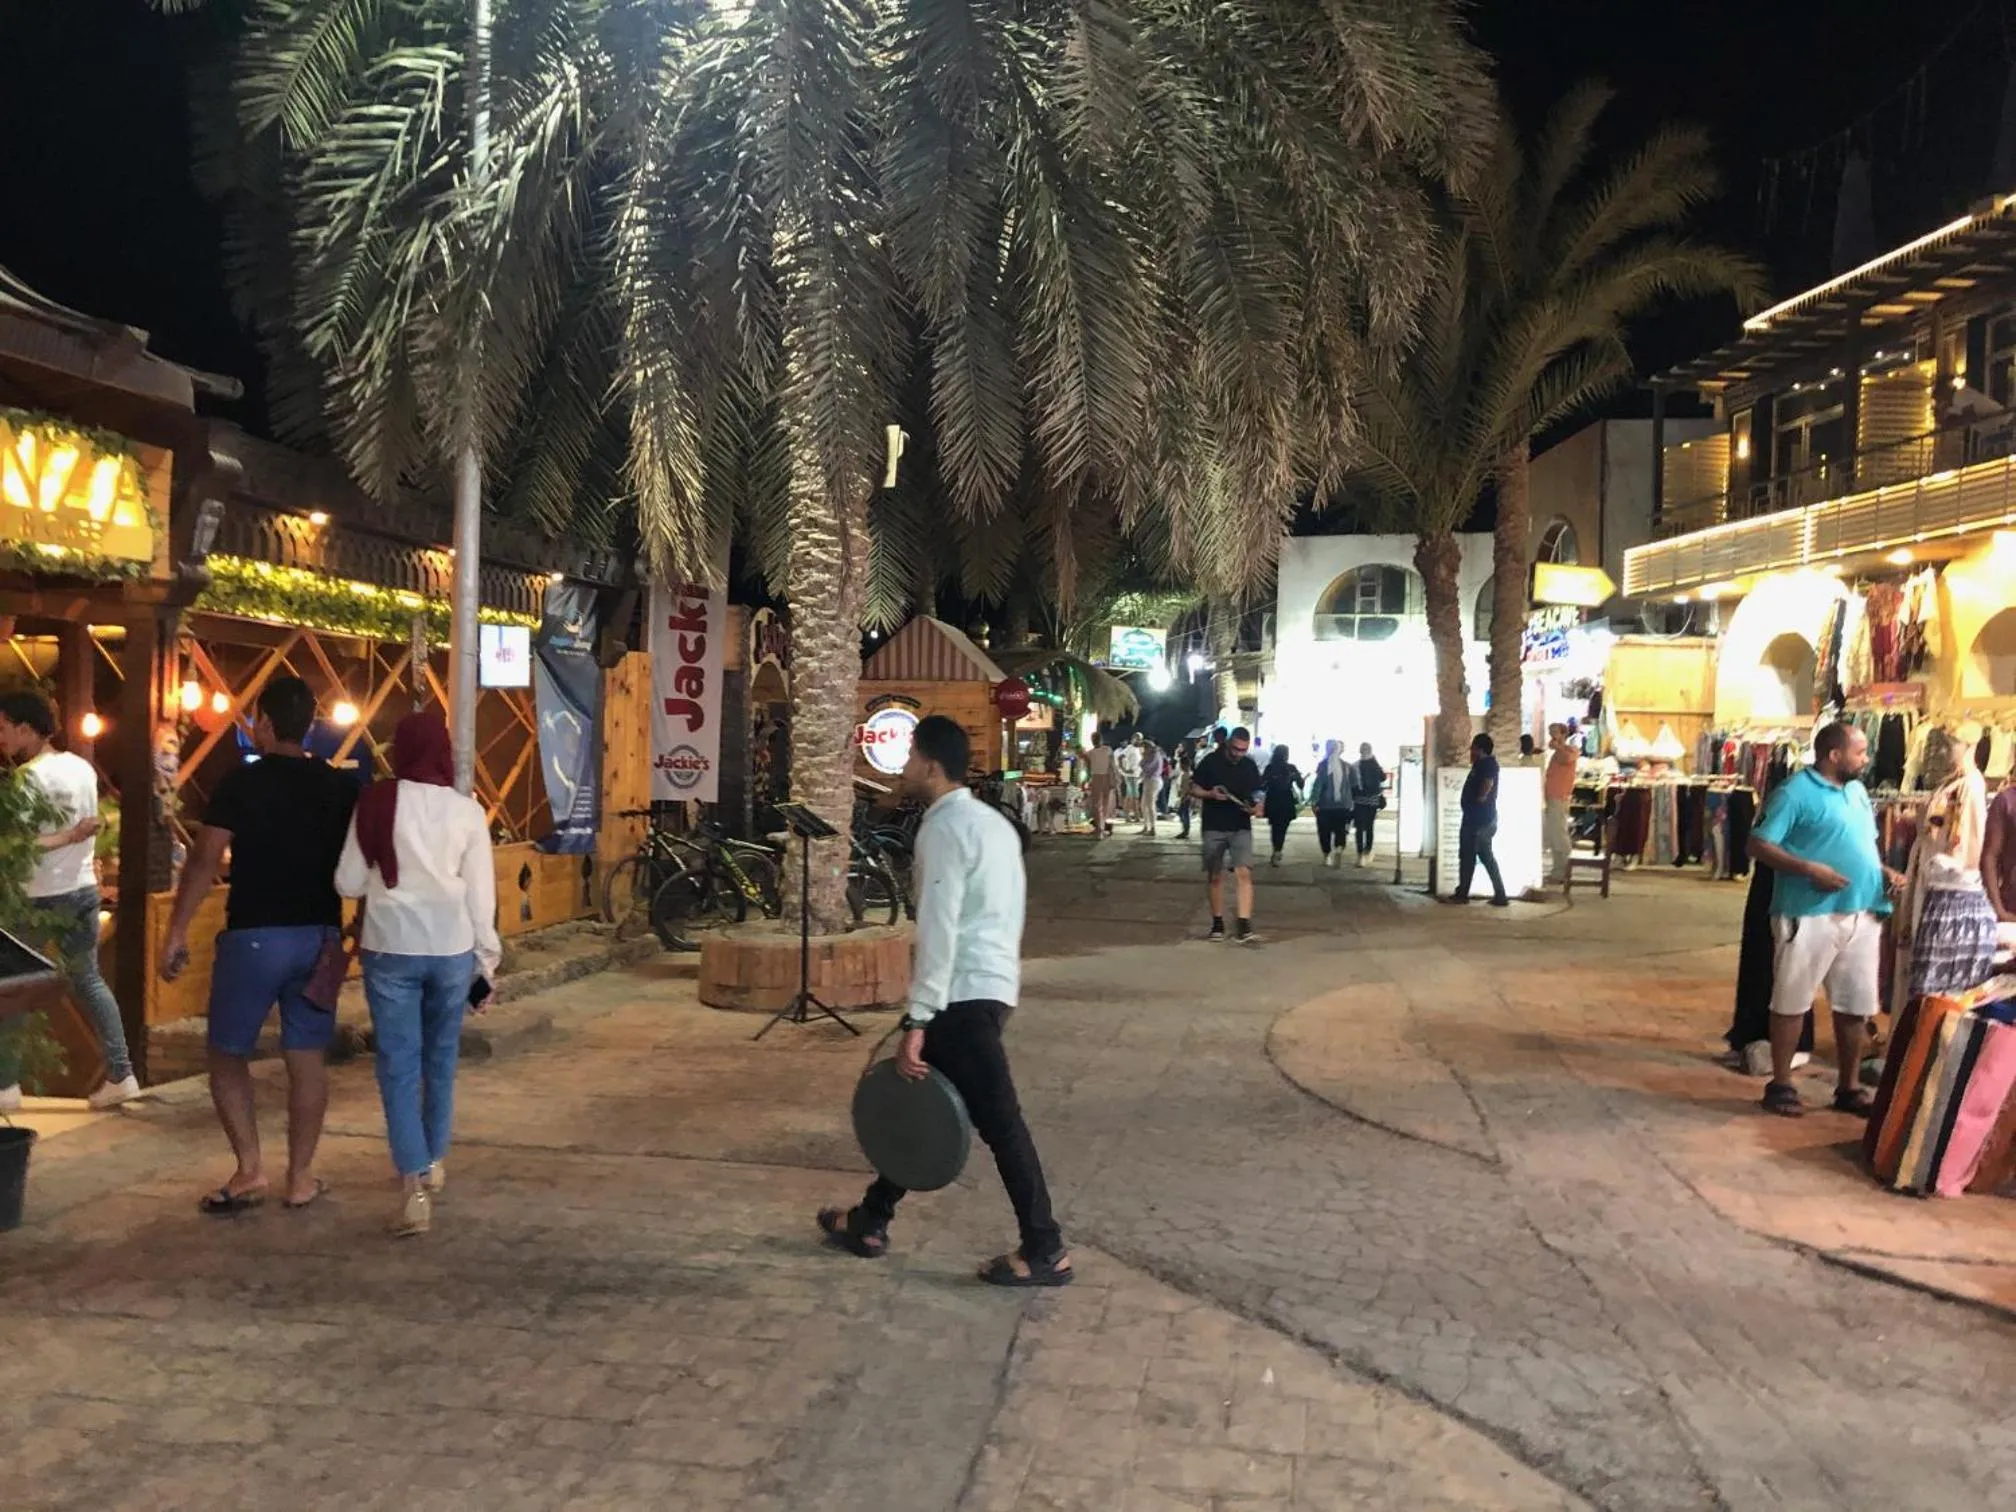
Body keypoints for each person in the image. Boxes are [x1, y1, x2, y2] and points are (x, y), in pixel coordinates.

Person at [818, 715, 1070, 1286]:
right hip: (993, 986)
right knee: (923, 1103)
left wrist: (919, 1018)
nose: (904, 765)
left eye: (910, 755)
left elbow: (939, 927)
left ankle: (1045, 1246)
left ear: (931, 765)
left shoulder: (943, 829)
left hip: (961, 994)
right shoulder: (993, 824)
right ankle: (871, 1218)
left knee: (1000, 1125)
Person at [162, 677, 357, 1212]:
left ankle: (249, 1169)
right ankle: (301, 1177)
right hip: (320, 936)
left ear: (265, 724)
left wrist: (176, 929)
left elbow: (205, 857)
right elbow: (365, 860)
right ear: (310, 726)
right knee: (307, 1056)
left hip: (254, 936)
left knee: (227, 1053)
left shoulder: (240, 784)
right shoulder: (341, 787)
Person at [335, 710, 501, 1237]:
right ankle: (432, 1159)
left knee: (398, 1065)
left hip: (390, 948)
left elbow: (347, 882)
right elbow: (482, 898)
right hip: (452, 949)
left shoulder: (375, 802)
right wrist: (486, 963)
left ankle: (414, 1184)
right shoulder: (467, 812)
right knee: (441, 1060)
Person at [1746, 721, 1903, 1118]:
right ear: (1834, 754)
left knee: (1855, 1003)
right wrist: (1807, 869)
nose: (1866, 759)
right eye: (1859, 752)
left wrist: (1883, 872)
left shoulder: (1857, 792)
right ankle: (1781, 1084)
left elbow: (1862, 845)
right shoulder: (1794, 793)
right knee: (1792, 999)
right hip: (1808, 912)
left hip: (1861, 911)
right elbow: (1758, 844)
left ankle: (1848, 1087)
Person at [0, 692, 138, 1112]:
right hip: (81, 889)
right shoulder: (81, 768)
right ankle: (122, 1074)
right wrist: (76, 838)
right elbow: (88, 825)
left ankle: (5, 1087)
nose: (1, 737)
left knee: (13, 986)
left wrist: (67, 836)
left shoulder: (27, 779)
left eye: (4, 728)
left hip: (37, 895)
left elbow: (22, 844)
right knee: (89, 981)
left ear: (26, 729)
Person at [1193, 726, 1263, 942]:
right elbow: (1194, 788)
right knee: (1215, 875)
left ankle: (1244, 923)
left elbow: (1258, 792)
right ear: (1228, 743)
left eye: (1243, 750)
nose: (1238, 754)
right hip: (1214, 826)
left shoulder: (1249, 765)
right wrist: (1210, 794)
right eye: (1235, 749)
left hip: (1240, 825)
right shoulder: (1210, 762)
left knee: (1244, 872)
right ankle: (1217, 922)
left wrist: (1258, 806)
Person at [1453, 733, 1509, 906]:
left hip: (1480, 820)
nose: (1471, 751)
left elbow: (1488, 782)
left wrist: (1481, 796)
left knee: (1473, 856)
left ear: (1480, 749)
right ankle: (1498, 894)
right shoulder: (1480, 765)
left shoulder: (1488, 765)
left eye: (1473, 748)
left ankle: (1464, 893)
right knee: (1479, 856)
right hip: (1474, 817)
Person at [1309, 739, 1358, 869]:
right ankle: (1339, 849)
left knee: (1324, 832)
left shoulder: (1323, 765)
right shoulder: (1348, 767)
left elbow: (1318, 785)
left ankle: (1327, 856)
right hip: (1343, 805)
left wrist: (1314, 801)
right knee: (1341, 831)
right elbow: (1354, 785)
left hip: (1325, 805)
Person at [1543, 723, 1579, 885]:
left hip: (1560, 797)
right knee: (1553, 834)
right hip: (1552, 798)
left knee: (1559, 834)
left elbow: (1568, 758)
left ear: (1563, 734)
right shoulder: (1557, 753)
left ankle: (1563, 871)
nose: (1552, 736)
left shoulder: (1571, 750)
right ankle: (1557, 870)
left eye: (1555, 733)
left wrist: (1558, 746)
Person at [1261, 744, 1304, 865]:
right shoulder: (1291, 768)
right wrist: (1299, 778)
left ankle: (1276, 849)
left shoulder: (1270, 768)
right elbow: (1301, 785)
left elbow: (1262, 785)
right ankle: (1278, 849)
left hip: (1273, 799)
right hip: (1286, 800)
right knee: (1283, 827)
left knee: (1275, 827)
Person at [1352, 743, 1386, 867]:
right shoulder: (1375, 765)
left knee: (1359, 828)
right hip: (1373, 801)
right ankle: (1367, 852)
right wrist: (1374, 760)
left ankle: (1360, 855)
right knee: (1370, 827)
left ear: (1360, 751)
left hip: (1359, 801)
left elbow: (1352, 783)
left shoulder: (1355, 766)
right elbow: (1383, 778)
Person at [1082, 736, 1115, 838]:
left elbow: (1112, 765)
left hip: (1101, 777)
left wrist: (1112, 779)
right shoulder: (1091, 753)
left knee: (1101, 804)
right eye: (1094, 740)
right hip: (1099, 777)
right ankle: (1100, 828)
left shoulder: (1106, 750)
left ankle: (1101, 828)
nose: (1095, 741)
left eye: (1096, 739)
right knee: (1099, 805)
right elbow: (1111, 765)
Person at [1138, 740, 1165, 837]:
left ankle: (1153, 828)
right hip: (1148, 780)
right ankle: (1146, 826)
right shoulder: (1151, 755)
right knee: (1143, 805)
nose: (1141, 750)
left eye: (1142, 748)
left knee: (1150, 805)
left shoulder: (1154, 755)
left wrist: (1143, 759)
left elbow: (1146, 767)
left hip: (1153, 781)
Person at [1115, 736, 1143, 822]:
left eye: (1140, 739)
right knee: (1134, 796)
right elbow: (1120, 757)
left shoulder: (1138, 749)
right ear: (1133, 739)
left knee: (1130, 796)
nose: (1139, 740)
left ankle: (1128, 815)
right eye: (1137, 738)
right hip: (1131, 776)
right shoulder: (1130, 748)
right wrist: (1123, 769)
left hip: (1136, 775)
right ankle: (1136, 816)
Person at [1173, 743, 1197, 840]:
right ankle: (1185, 829)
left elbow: (1188, 787)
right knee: (1182, 813)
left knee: (1184, 813)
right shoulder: (1186, 774)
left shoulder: (1187, 775)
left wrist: (1186, 796)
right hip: (1185, 796)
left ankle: (1185, 830)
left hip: (1187, 797)